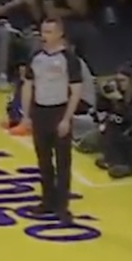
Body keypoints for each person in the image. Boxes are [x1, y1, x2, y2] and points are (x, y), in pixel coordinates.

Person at [18, 18, 85, 222]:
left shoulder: (69, 58)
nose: (44, 35)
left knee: (63, 162)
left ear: (59, 34)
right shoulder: (36, 56)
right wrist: (26, 114)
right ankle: (47, 200)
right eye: (43, 31)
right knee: (44, 159)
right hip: (40, 111)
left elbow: (76, 91)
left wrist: (67, 118)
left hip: (59, 111)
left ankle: (62, 206)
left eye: (49, 31)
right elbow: (28, 85)